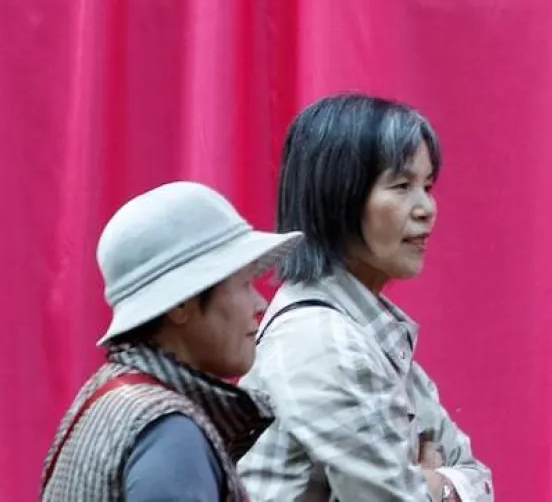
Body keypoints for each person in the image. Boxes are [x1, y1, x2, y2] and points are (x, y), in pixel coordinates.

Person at [239, 93, 494, 501]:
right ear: (337, 197)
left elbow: (477, 475)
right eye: (402, 186)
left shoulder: (371, 332)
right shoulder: (321, 339)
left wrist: (437, 484)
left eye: (428, 186)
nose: (426, 208)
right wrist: (441, 485)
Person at [41, 181, 301, 501]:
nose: (260, 304)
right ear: (181, 305)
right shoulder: (170, 433)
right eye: (245, 284)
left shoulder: (107, 397)